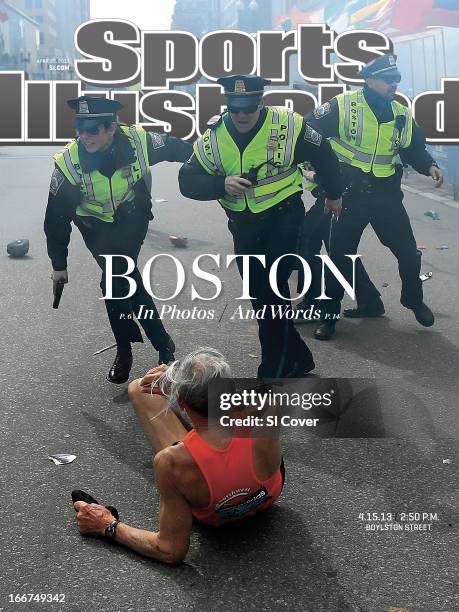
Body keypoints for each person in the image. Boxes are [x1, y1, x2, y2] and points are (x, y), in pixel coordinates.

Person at [178, 75, 343, 378]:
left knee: (273, 291)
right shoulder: (213, 137)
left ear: (260, 102)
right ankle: (300, 358)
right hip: (243, 225)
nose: (242, 115)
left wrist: (333, 193)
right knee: (259, 294)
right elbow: (186, 181)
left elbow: (324, 155)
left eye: (249, 108)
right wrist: (220, 183)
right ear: (227, 104)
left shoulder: (288, 125)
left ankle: (271, 370)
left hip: (285, 215)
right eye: (235, 108)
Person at [73, 348, 285, 564]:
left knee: (139, 388)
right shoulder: (267, 408)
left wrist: (108, 526)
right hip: (267, 494)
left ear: (181, 403)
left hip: (217, 515)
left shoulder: (170, 462)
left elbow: (170, 550)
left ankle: (200, 423)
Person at [44, 96, 192, 382]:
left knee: (115, 279)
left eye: (92, 129)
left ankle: (128, 352)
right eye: (80, 128)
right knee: (120, 279)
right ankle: (163, 347)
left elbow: (180, 148)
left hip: (131, 217)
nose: (83, 136)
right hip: (95, 226)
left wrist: (210, 169)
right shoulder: (69, 163)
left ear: (112, 128)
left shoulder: (139, 141)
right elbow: (55, 218)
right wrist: (58, 263)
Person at [303, 54, 444, 341]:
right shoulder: (343, 105)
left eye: (397, 79)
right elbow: (308, 132)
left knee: (407, 252)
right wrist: (319, 170)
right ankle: (329, 318)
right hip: (348, 195)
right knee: (339, 257)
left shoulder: (401, 114)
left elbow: (413, 149)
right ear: (369, 80)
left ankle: (413, 300)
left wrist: (430, 165)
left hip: (386, 196)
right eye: (388, 79)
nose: (394, 83)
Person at [295, 164, 384, 324]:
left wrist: (312, 176)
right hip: (333, 195)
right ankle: (370, 299)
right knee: (340, 252)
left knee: (307, 240)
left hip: (337, 196)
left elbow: (337, 170)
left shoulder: (325, 139)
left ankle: (312, 304)